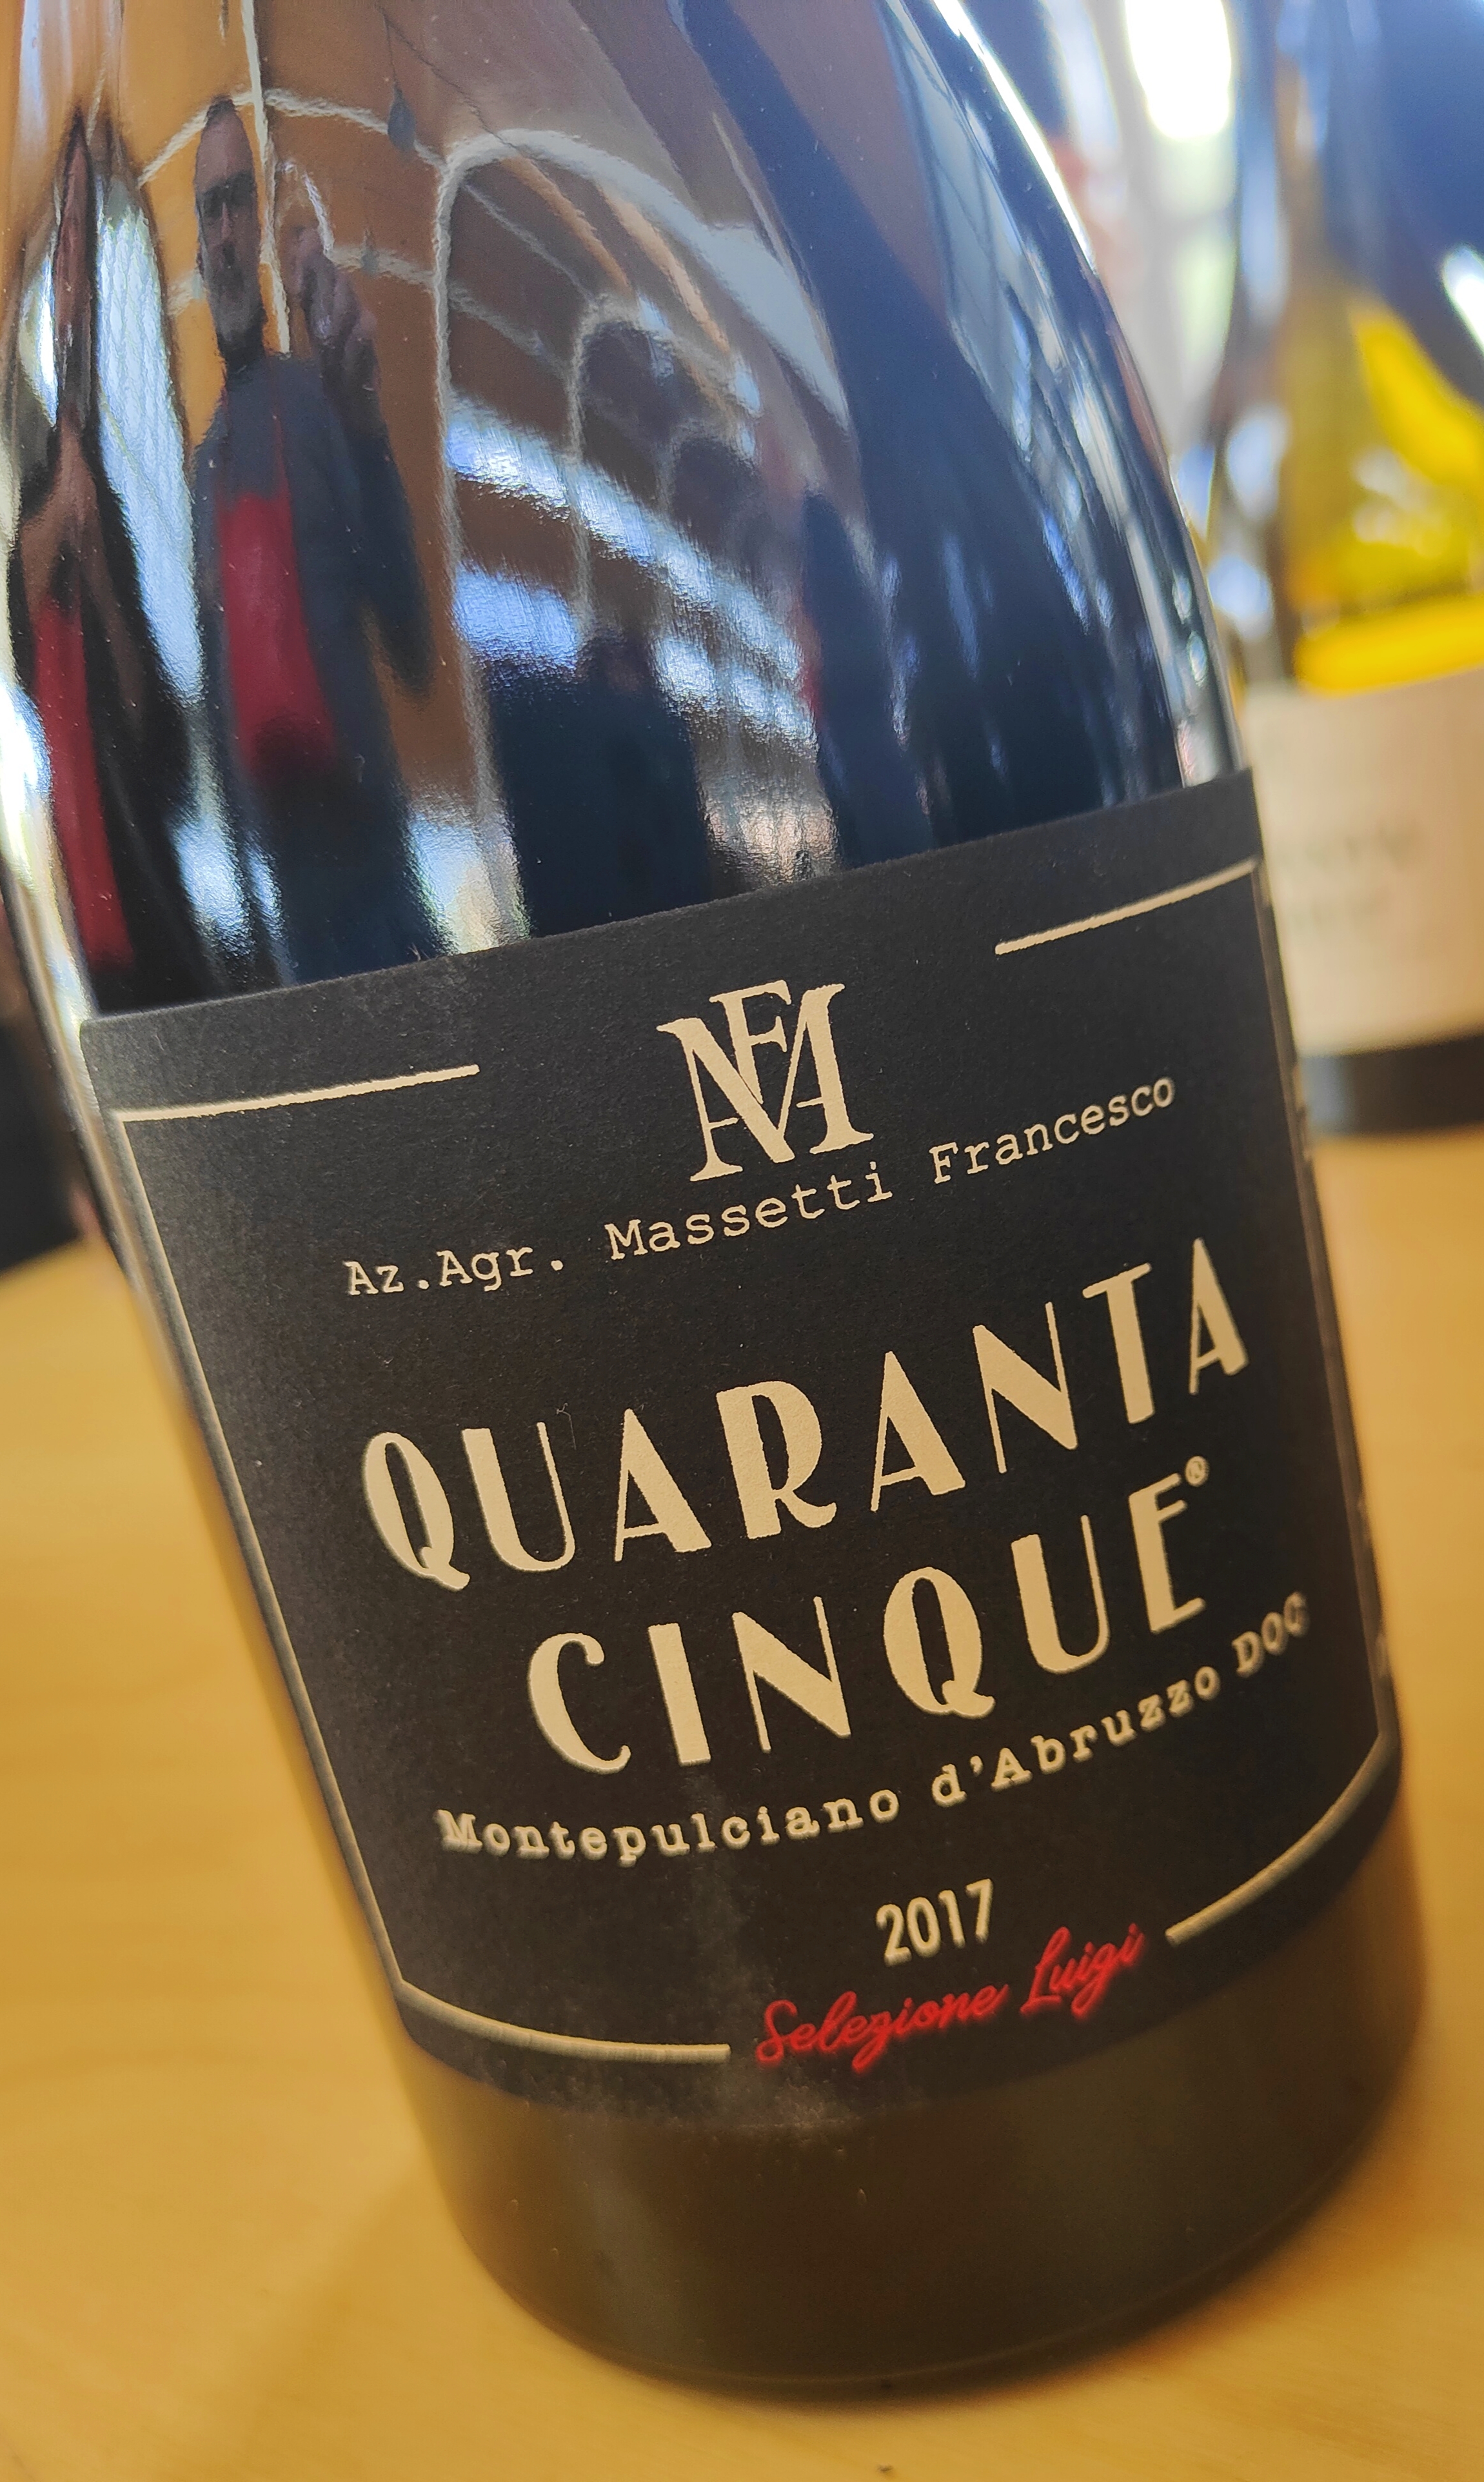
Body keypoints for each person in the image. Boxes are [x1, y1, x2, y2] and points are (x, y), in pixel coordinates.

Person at [190, 97, 436, 983]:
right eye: (209, 210)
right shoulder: (204, 466)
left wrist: (365, 429)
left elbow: (411, 647)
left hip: (373, 853)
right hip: (280, 890)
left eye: (238, 200)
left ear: (266, 222)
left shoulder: (320, 400)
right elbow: (214, 701)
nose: (225, 233)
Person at [8, 114, 203, 1011]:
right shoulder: (30, 450)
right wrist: (57, 521)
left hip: (144, 866)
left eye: (88, 237)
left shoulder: (130, 461)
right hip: (72, 888)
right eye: (66, 242)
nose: (74, 273)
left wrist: (96, 569)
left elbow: (151, 710)